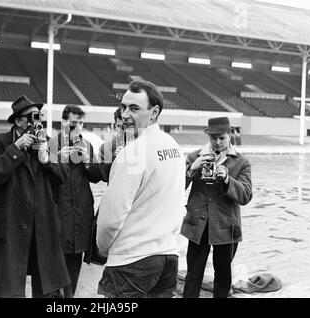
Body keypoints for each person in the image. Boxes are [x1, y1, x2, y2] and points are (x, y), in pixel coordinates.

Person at [97, 80, 185, 298]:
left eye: (134, 108)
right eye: (124, 107)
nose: (125, 114)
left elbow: (111, 216)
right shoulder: (173, 146)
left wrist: (104, 248)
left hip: (131, 259)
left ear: (154, 112)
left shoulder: (132, 152)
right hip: (167, 254)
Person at [0, 95, 70, 298]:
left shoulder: (48, 141)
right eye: (31, 116)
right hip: (11, 224)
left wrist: (47, 159)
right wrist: (16, 148)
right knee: (7, 288)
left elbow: (64, 175)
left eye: (39, 116)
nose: (36, 120)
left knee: (49, 289)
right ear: (18, 121)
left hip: (42, 226)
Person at [181, 117, 252, 298]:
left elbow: (246, 195)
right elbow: (175, 187)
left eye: (222, 138)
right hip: (198, 225)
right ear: (208, 137)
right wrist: (191, 169)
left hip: (226, 226)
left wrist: (228, 179)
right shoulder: (194, 157)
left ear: (230, 136)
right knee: (193, 275)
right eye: (214, 138)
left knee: (223, 277)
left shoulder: (241, 162)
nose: (218, 142)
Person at [54, 105, 101, 298]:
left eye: (81, 123)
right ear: (64, 122)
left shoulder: (87, 145)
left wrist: (88, 160)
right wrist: (59, 159)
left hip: (81, 215)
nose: (78, 127)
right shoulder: (50, 144)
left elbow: (97, 176)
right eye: (74, 123)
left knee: (74, 266)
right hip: (58, 213)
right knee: (55, 267)